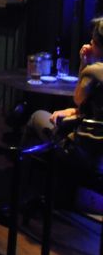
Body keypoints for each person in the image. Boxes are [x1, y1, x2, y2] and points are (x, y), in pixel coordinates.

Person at [28, 17, 103, 181]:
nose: (90, 42)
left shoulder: (94, 71)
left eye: (93, 40)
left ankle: (30, 181)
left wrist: (85, 63)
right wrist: (73, 112)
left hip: (82, 153)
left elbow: (78, 99)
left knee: (36, 116)